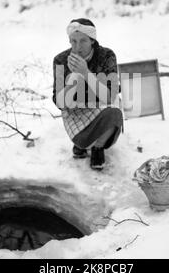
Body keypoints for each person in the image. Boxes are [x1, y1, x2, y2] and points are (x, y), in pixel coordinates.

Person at [52, 18, 123, 170]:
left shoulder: (106, 55)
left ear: (92, 40)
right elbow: (59, 103)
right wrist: (74, 79)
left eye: (83, 41)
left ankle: (98, 147)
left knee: (115, 112)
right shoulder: (60, 60)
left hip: (100, 105)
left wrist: (86, 73)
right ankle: (80, 144)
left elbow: (111, 95)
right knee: (81, 139)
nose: (77, 47)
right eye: (73, 41)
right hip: (75, 110)